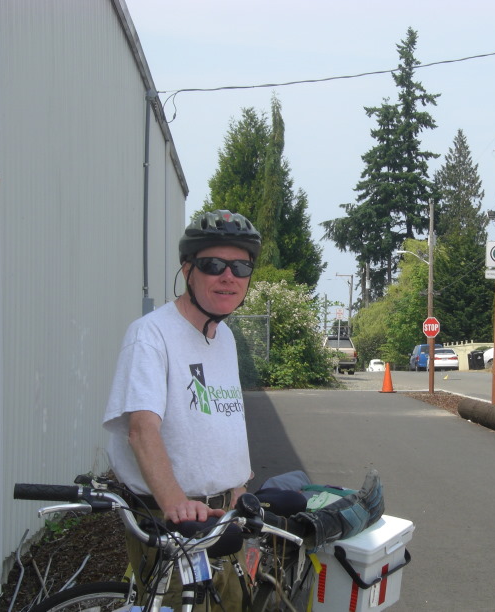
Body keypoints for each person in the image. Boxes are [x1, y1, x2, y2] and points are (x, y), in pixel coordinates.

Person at [103, 210, 383, 609]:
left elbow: (222, 413)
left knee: (230, 603)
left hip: (225, 514)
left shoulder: (226, 337)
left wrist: (237, 481)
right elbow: (141, 430)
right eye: (213, 264)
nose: (228, 276)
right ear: (188, 270)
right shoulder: (150, 335)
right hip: (173, 517)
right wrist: (175, 505)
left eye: (240, 266)